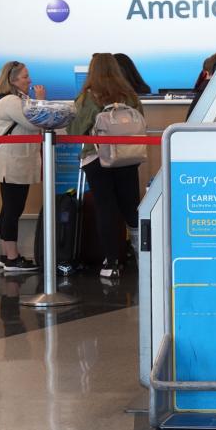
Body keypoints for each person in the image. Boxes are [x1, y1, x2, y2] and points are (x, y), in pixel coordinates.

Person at [67, 53, 144, 279]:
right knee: (131, 207)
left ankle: (112, 262)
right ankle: (142, 256)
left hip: (97, 158)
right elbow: (141, 122)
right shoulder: (130, 96)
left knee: (106, 209)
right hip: (127, 158)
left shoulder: (88, 97)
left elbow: (75, 131)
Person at [0, 61, 45, 272]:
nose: (29, 80)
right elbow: (35, 122)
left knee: (9, 209)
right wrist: (41, 101)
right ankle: (13, 258)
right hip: (13, 162)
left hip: (14, 162)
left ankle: (7, 255)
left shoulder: (17, 100)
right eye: (25, 76)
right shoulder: (11, 101)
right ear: (12, 80)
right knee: (13, 209)